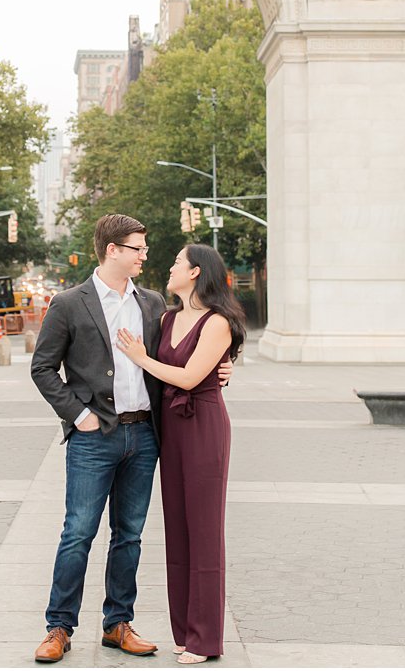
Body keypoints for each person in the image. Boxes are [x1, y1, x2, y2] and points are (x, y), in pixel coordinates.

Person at [29, 215, 232, 664]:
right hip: (93, 436)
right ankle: (58, 627)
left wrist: (223, 370)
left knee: (130, 535)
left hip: (144, 435)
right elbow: (42, 368)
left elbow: (184, 354)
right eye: (137, 248)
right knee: (78, 532)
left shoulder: (154, 304)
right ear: (112, 250)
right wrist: (78, 415)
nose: (145, 255)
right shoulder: (68, 303)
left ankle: (118, 623)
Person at [115, 244, 244, 665]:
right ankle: (185, 631)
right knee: (179, 533)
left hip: (204, 427)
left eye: (175, 262)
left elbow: (190, 376)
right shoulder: (166, 317)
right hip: (170, 429)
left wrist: (140, 358)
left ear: (194, 272)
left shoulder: (218, 321)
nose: (168, 268)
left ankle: (206, 640)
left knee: (205, 533)